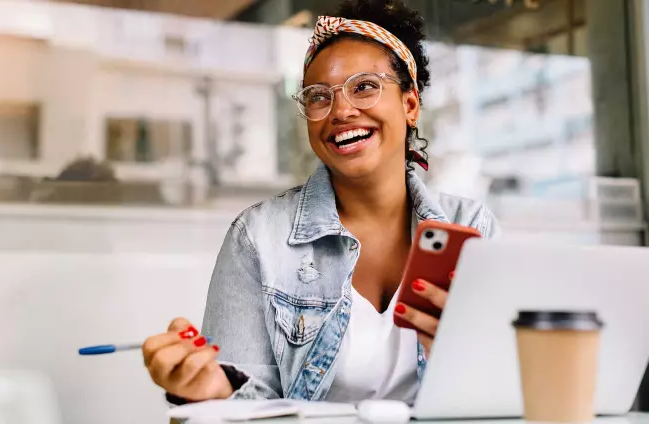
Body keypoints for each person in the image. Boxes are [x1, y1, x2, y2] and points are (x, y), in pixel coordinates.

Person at [142, 0, 499, 404]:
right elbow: (245, 401)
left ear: (410, 104)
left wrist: (463, 356)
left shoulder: (472, 229)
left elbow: (507, 392)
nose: (341, 111)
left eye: (364, 87)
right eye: (318, 97)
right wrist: (213, 391)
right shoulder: (258, 238)